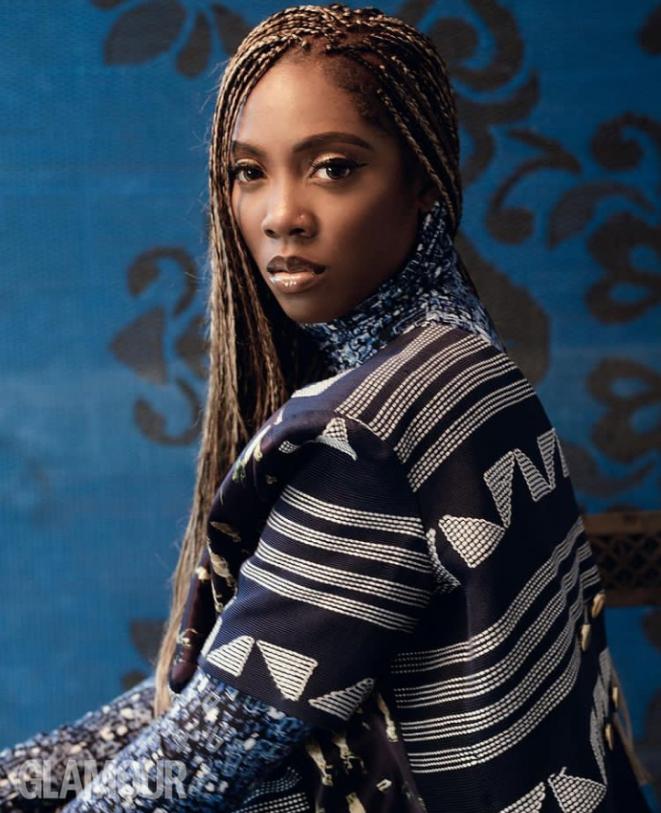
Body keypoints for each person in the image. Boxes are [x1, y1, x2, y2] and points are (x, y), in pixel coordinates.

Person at [0, 3, 654, 811]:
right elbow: (212, 698)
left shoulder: (378, 425)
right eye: (249, 172)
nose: (282, 216)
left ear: (423, 179)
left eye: (333, 167)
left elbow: (209, 745)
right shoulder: (459, 366)